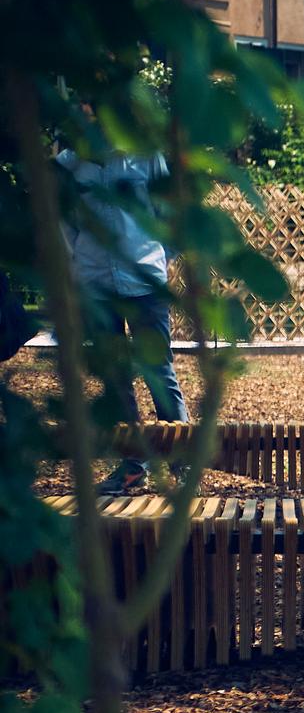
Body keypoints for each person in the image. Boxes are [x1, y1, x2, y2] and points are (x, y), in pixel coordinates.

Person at [56, 148, 189, 494]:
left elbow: (168, 211)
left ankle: (182, 461)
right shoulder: (71, 162)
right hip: (96, 283)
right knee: (115, 377)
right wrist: (80, 265)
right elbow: (66, 222)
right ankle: (133, 465)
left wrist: (158, 256)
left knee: (159, 369)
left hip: (144, 279)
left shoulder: (145, 155)